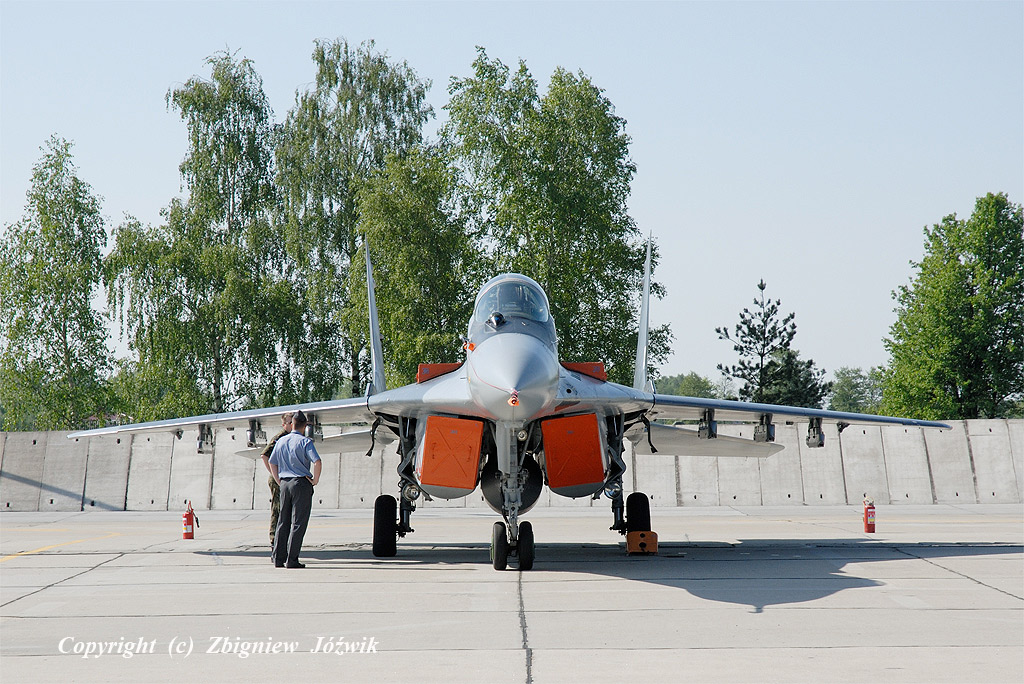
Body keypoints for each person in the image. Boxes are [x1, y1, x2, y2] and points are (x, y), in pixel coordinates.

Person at [268, 410, 321, 568]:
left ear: (292, 424)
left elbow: (272, 462)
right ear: (304, 426)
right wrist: (315, 480)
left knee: (282, 521)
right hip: (300, 484)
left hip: (285, 484)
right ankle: (292, 560)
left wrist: (279, 480)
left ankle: (278, 558)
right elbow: (317, 462)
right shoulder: (305, 442)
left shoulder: (281, 441)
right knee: (298, 523)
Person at [260, 412, 294, 548]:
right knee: (278, 509)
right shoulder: (280, 437)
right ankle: (274, 539)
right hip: (278, 479)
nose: (292, 425)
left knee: (286, 510)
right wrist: (275, 475)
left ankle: (283, 539)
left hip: (286, 478)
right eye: (290, 423)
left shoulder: (292, 436)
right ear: (284, 424)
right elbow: (264, 455)